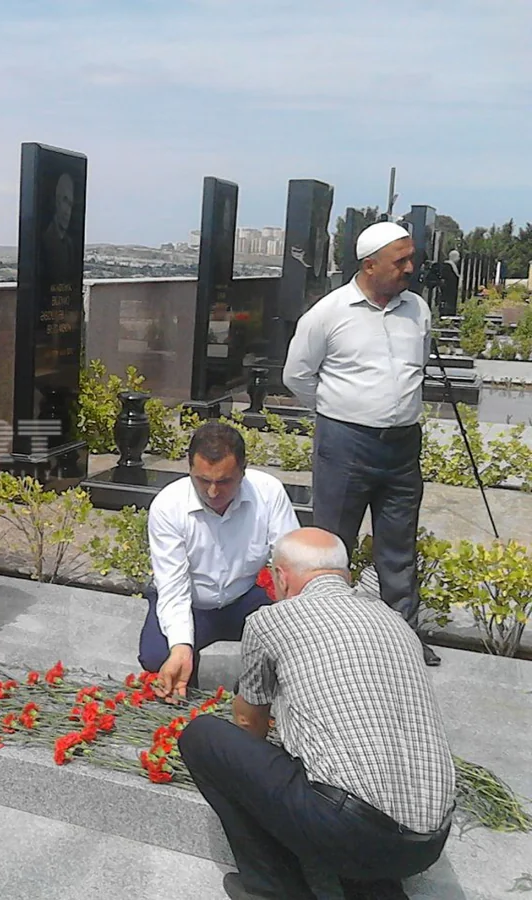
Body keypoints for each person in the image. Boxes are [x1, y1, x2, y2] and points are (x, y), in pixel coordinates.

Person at [178, 528, 455, 900]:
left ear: (281, 576)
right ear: (345, 576)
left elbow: (248, 723)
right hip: (429, 842)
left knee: (204, 737)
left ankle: (275, 889)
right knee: (350, 772)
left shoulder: (272, 620)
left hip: (348, 830)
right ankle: (373, 891)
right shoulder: (394, 621)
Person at [282, 221, 439, 666]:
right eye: (400, 261)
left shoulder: (417, 310)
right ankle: (326, 638)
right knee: (333, 544)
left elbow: (417, 366)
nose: (410, 268)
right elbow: (296, 376)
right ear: (370, 265)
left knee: (398, 545)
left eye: (411, 258)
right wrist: (339, 408)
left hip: (403, 447)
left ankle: (402, 637)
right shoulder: (329, 314)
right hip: (346, 444)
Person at [139, 422, 299, 699]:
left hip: (245, 598)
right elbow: (173, 588)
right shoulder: (168, 506)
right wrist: (181, 647)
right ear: (189, 469)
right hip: (192, 601)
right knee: (158, 658)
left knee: (297, 640)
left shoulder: (268, 492)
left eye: (224, 482)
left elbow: (291, 565)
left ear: (243, 472)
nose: (213, 492)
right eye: (203, 481)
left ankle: (255, 699)